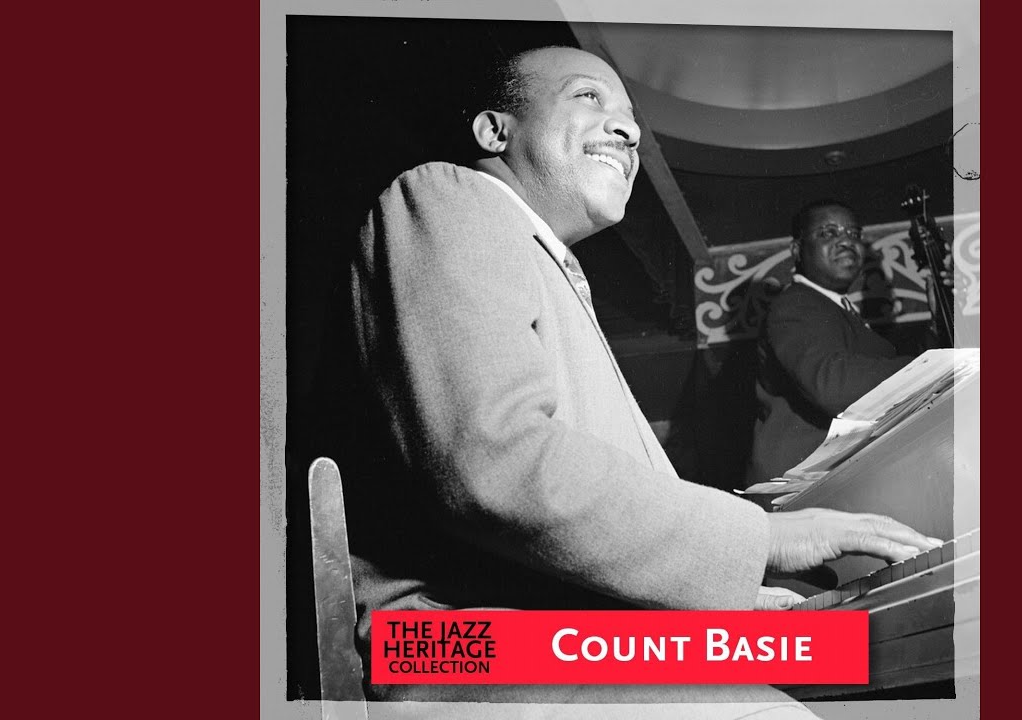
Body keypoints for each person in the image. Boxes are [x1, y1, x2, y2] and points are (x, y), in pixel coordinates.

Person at [342, 45, 941, 712]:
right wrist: (764, 539)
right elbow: (495, 460)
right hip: (443, 641)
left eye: (629, 114)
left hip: (554, 626)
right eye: (588, 97)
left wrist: (734, 598)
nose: (628, 129)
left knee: (848, 659)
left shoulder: (548, 267)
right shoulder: (450, 197)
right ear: (494, 131)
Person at [746, 201, 915, 486]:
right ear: (797, 250)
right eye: (828, 233)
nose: (846, 241)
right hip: (805, 488)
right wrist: (926, 367)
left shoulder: (837, 311)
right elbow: (833, 385)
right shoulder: (796, 304)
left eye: (853, 233)